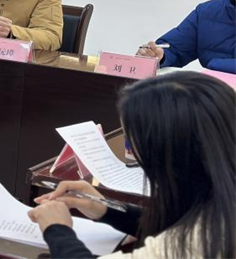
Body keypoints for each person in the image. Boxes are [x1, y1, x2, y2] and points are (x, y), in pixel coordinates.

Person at [28, 71, 236, 259]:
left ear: (168, 153)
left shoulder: (199, 242)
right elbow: (174, 224)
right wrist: (105, 208)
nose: (133, 155)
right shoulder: (219, 200)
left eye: (130, 143)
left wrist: (57, 230)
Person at [136, 0, 236, 73]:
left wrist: (217, 65)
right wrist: (159, 56)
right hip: (216, 83)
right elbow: (175, 49)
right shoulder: (206, 13)